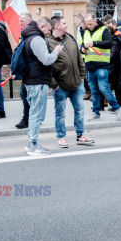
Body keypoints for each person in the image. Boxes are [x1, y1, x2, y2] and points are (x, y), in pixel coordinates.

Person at [48, 16, 94, 148]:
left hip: (76, 83)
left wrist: (82, 76)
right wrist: (54, 84)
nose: (66, 25)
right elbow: (47, 66)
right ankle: (61, 137)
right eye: (64, 23)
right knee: (60, 113)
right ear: (56, 26)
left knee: (80, 110)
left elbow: (79, 58)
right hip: (61, 86)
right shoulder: (48, 42)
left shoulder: (70, 38)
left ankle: (80, 135)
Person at [22, 17, 63, 156]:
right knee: (37, 115)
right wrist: (56, 51)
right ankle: (33, 145)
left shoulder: (28, 37)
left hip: (32, 80)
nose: (49, 32)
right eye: (48, 29)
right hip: (37, 81)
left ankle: (31, 144)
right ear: (41, 26)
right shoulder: (37, 39)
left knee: (34, 113)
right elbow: (46, 60)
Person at [81, 13, 121, 121]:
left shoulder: (104, 30)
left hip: (101, 65)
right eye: (87, 24)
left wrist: (94, 43)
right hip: (90, 65)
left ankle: (117, 108)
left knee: (103, 88)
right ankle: (96, 112)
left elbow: (109, 43)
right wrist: (83, 49)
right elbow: (82, 45)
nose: (88, 26)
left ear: (95, 21)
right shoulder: (85, 32)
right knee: (94, 91)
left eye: (90, 23)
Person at [15, 13, 33, 129]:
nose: (20, 23)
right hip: (26, 70)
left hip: (31, 70)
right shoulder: (26, 34)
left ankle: (29, 119)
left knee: (27, 95)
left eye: (22, 21)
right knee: (24, 94)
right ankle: (29, 118)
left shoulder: (32, 34)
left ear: (29, 20)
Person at [106, 18, 121, 106]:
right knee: (115, 85)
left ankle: (118, 103)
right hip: (115, 64)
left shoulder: (117, 37)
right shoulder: (114, 37)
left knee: (117, 86)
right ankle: (116, 103)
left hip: (117, 64)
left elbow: (113, 54)